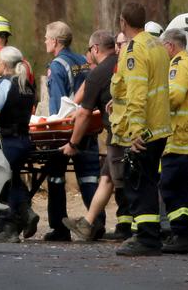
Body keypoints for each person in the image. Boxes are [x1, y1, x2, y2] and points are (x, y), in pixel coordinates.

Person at [112, 3, 171, 256]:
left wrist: (135, 132)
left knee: (139, 182)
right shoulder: (156, 45)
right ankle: (149, 235)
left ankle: (146, 238)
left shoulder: (134, 50)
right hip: (159, 127)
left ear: (123, 22)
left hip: (144, 130)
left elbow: (137, 93)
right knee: (147, 180)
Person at [60, 30, 131, 241]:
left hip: (122, 135)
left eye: (89, 51)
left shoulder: (99, 74)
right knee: (107, 178)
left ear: (95, 49)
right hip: (128, 130)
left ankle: (143, 229)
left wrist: (73, 143)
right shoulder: (123, 62)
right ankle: (88, 223)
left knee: (124, 181)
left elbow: (83, 113)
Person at [44, 21, 103, 241]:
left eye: (47, 38)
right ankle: (97, 222)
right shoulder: (83, 61)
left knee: (56, 176)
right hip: (89, 125)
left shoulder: (57, 66)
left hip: (66, 131)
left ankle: (60, 228)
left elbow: (61, 105)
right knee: (89, 176)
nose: (45, 42)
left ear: (56, 41)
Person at [0, 46, 39, 243]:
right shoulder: (27, 85)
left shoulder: (2, 84)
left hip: (8, 141)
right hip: (24, 141)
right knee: (13, 178)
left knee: (4, 183)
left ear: (4, 64)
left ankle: (9, 228)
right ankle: (27, 212)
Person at [159, 29, 188, 254]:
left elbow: (173, 97)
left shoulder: (177, 65)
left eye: (162, 47)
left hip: (177, 138)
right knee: (181, 189)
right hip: (185, 139)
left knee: (170, 187)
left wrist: (153, 101)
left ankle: (180, 234)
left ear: (170, 46)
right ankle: (181, 234)